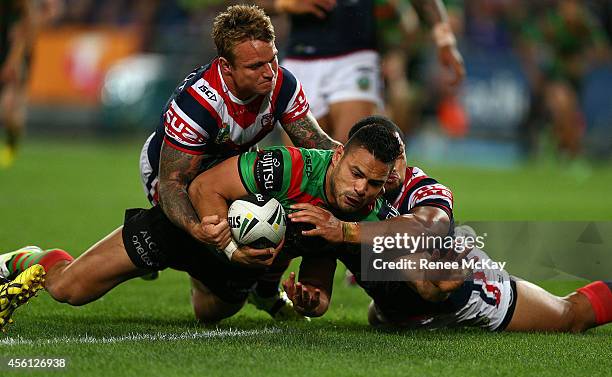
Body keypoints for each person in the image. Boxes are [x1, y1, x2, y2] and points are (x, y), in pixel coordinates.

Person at [0, 118, 406, 331]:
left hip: (232, 264)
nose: (360, 189)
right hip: (186, 227)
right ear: (336, 157)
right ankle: (32, 258)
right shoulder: (288, 166)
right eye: (355, 173)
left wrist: (312, 302)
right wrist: (229, 246)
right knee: (68, 290)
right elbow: (205, 187)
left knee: (208, 315)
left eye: (373, 183)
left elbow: (320, 271)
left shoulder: (361, 215)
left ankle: (230, 284)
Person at [280, 121, 612, 333]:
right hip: (401, 313)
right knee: (388, 307)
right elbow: (319, 276)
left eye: (398, 156)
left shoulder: (425, 189)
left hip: (467, 294)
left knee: (571, 317)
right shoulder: (347, 196)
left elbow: (426, 230)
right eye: (380, 160)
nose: (392, 168)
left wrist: (346, 232)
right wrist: (312, 299)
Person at [138, 4, 339, 318]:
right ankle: (158, 252)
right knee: (212, 294)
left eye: (272, 58)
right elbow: (171, 183)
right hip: (173, 177)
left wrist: (361, 159)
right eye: (256, 65)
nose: (269, 72)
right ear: (227, 67)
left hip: (228, 170)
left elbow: (319, 145)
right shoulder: (199, 105)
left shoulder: (281, 83)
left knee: (286, 205)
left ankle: (265, 291)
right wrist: (197, 229)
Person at [255, 0, 465, 143]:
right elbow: (237, 4)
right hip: (301, 61)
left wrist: (444, 37)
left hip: (355, 56)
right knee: (305, 165)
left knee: (350, 152)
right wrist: (282, 3)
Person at [0, 0, 59, 167]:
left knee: (9, 106)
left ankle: (12, 146)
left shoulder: (24, 8)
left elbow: (42, 17)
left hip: (17, 53)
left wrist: (16, 58)